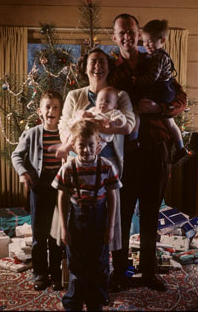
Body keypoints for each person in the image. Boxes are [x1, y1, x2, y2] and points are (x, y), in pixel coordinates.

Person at [110, 13, 187, 291]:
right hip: (125, 153)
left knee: (151, 213)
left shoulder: (153, 61)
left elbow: (181, 99)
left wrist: (160, 109)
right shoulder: (111, 69)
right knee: (122, 214)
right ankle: (122, 272)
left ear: (137, 32)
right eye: (122, 32)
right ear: (115, 37)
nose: (128, 37)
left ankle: (148, 272)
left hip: (156, 149)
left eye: (132, 31)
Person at [52, 47, 135, 258]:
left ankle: (110, 272)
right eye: (93, 62)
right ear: (86, 68)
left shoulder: (119, 95)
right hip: (77, 161)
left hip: (107, 164)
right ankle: (74, 269)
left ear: (108, 67)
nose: (97, 66)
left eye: (102, 62)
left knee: (108, 219)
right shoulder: (74, 95)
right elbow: (64, 126)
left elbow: (129, 125)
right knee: (74, 214)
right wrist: (74, 143)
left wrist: (102, 128)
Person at [52, 119, 122, 311]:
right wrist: (64, 229)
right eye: (81, 145)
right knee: (76, 262)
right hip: (76, 219)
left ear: (97, 143)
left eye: (90, 145)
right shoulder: (68, 168)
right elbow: (62, 197)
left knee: (98, 263)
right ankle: (74, 302)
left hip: (99, 219)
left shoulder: (106, 166)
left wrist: (110, 228)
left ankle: (96, 301)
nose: (86, 150)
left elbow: (113, 197)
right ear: (73, 145)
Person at [11, 90, 64, 291]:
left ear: (60, 111)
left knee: (56, 233)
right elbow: (17, 155)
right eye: (47, 107)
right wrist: (23, 172)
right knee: (39, 233)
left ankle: (56, 272)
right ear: (40, 111)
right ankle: (41, 273)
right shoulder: (32, 133)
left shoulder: (65, 132)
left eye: (55, 107)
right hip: (39, 187)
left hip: (60, 187)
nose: (51, 110)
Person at [129, 19, 189, 164]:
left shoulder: (157, 57)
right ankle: (181, 148)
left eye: (149, 42)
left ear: (162, 40)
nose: (146, 45)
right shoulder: (156, 56)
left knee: (138, 109)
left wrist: (138, 81)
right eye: (144, 42)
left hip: (161, 90)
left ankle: (133, 138)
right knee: (170, 123)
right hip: (164, 90)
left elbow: (152, 78)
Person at [60, 86, 127, 153]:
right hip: (85, 132)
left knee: (94, 148)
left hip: (100, 137)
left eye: (107, 101)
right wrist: (84, 113)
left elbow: (122, 119)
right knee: (75, 133)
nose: (103, 103)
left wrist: (114, 123)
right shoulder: (93, 109)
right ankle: (66, 146)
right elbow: (88, 114)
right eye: (101, 100)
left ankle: (66, 149)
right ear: (96, 102)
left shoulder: (113, 112)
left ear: (115, 106)